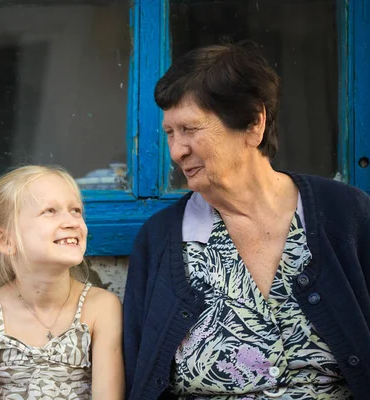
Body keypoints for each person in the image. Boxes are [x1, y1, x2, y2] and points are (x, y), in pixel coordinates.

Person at [123, 42, 370, 400]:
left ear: (254, 123)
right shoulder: (161, 240)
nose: (177, 151)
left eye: (190, 129)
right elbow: (138, 374)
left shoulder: (346, 216)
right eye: (170, 133)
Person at [0, 165, 124, 399]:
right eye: (50, 211)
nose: (71, 221)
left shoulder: (101, 307)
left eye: (76, 210)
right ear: (4, 240)